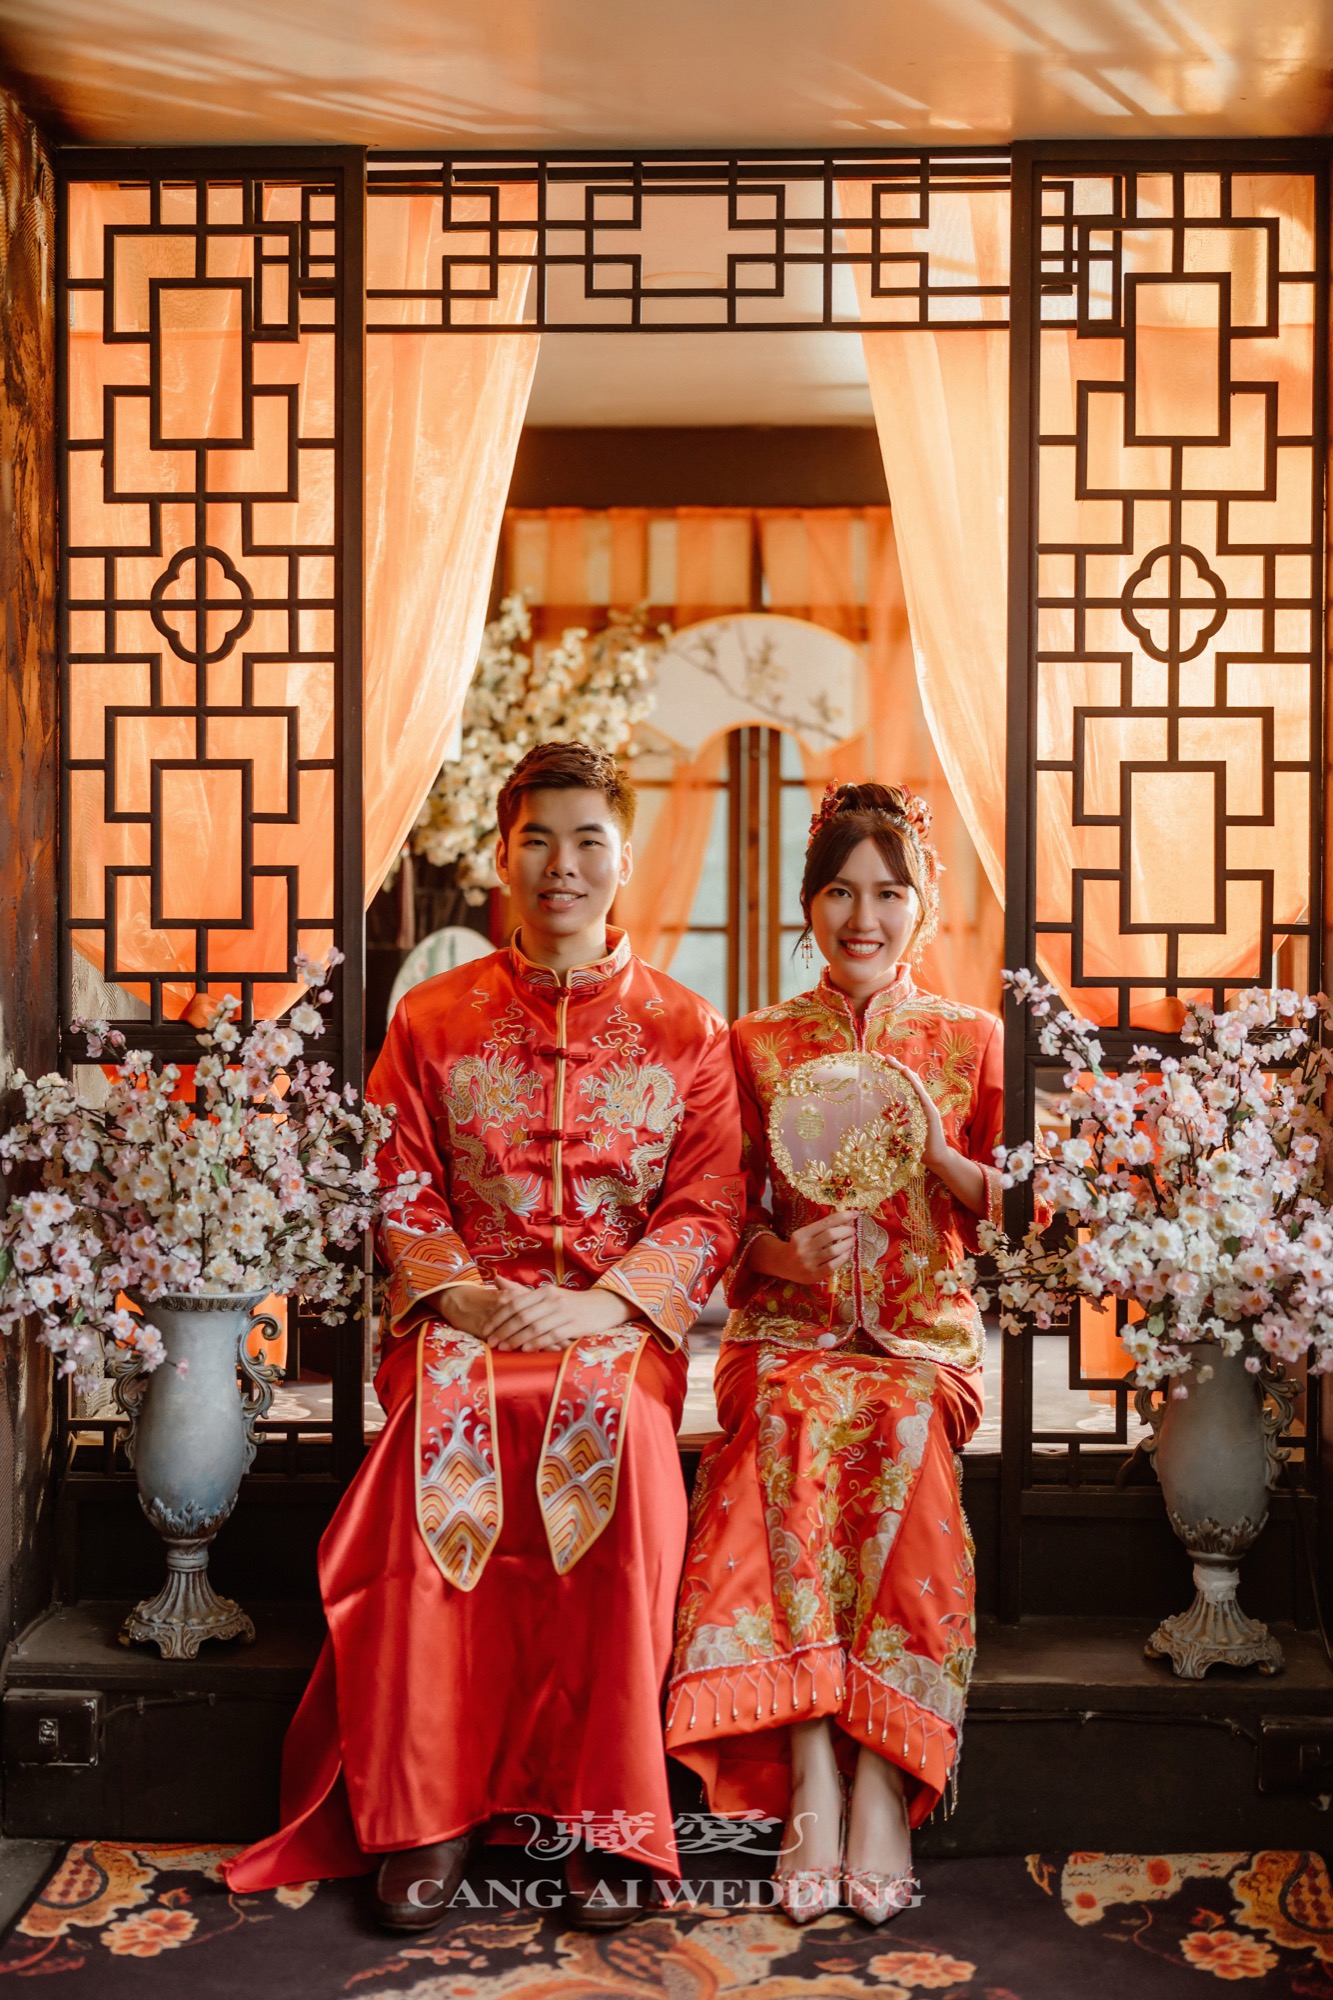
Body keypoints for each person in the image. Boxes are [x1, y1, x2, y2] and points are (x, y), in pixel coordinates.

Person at [226, 741, 742, 1930]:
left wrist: (606, 1303)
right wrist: (460, 1296)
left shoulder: (689, 1029)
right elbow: (397, 1177)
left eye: (587, 840)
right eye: (537, 840)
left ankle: (608, 1807)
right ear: (503, 856)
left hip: (616, 1327)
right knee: (431, 1438)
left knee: (625, 1447)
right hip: (463, 1317)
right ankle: (427, 1807)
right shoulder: (430, 1016)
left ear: (625, 859)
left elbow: (709, 1202)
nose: (563, 864)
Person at [665, 782, 1002, 1927]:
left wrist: (939, 1154)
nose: (864, 917)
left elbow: (1028, 1210)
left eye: (888, 892)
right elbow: (716, 1217)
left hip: (921, 1339)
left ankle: (883, 1773)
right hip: (784, 1334)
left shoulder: (969, 1039)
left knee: (896, 1414)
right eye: (841, 893)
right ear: (808, 903)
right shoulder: (755, 1042)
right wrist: (787, 1256)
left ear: (922, 904)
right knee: (796, 1406)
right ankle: (812, 1756)